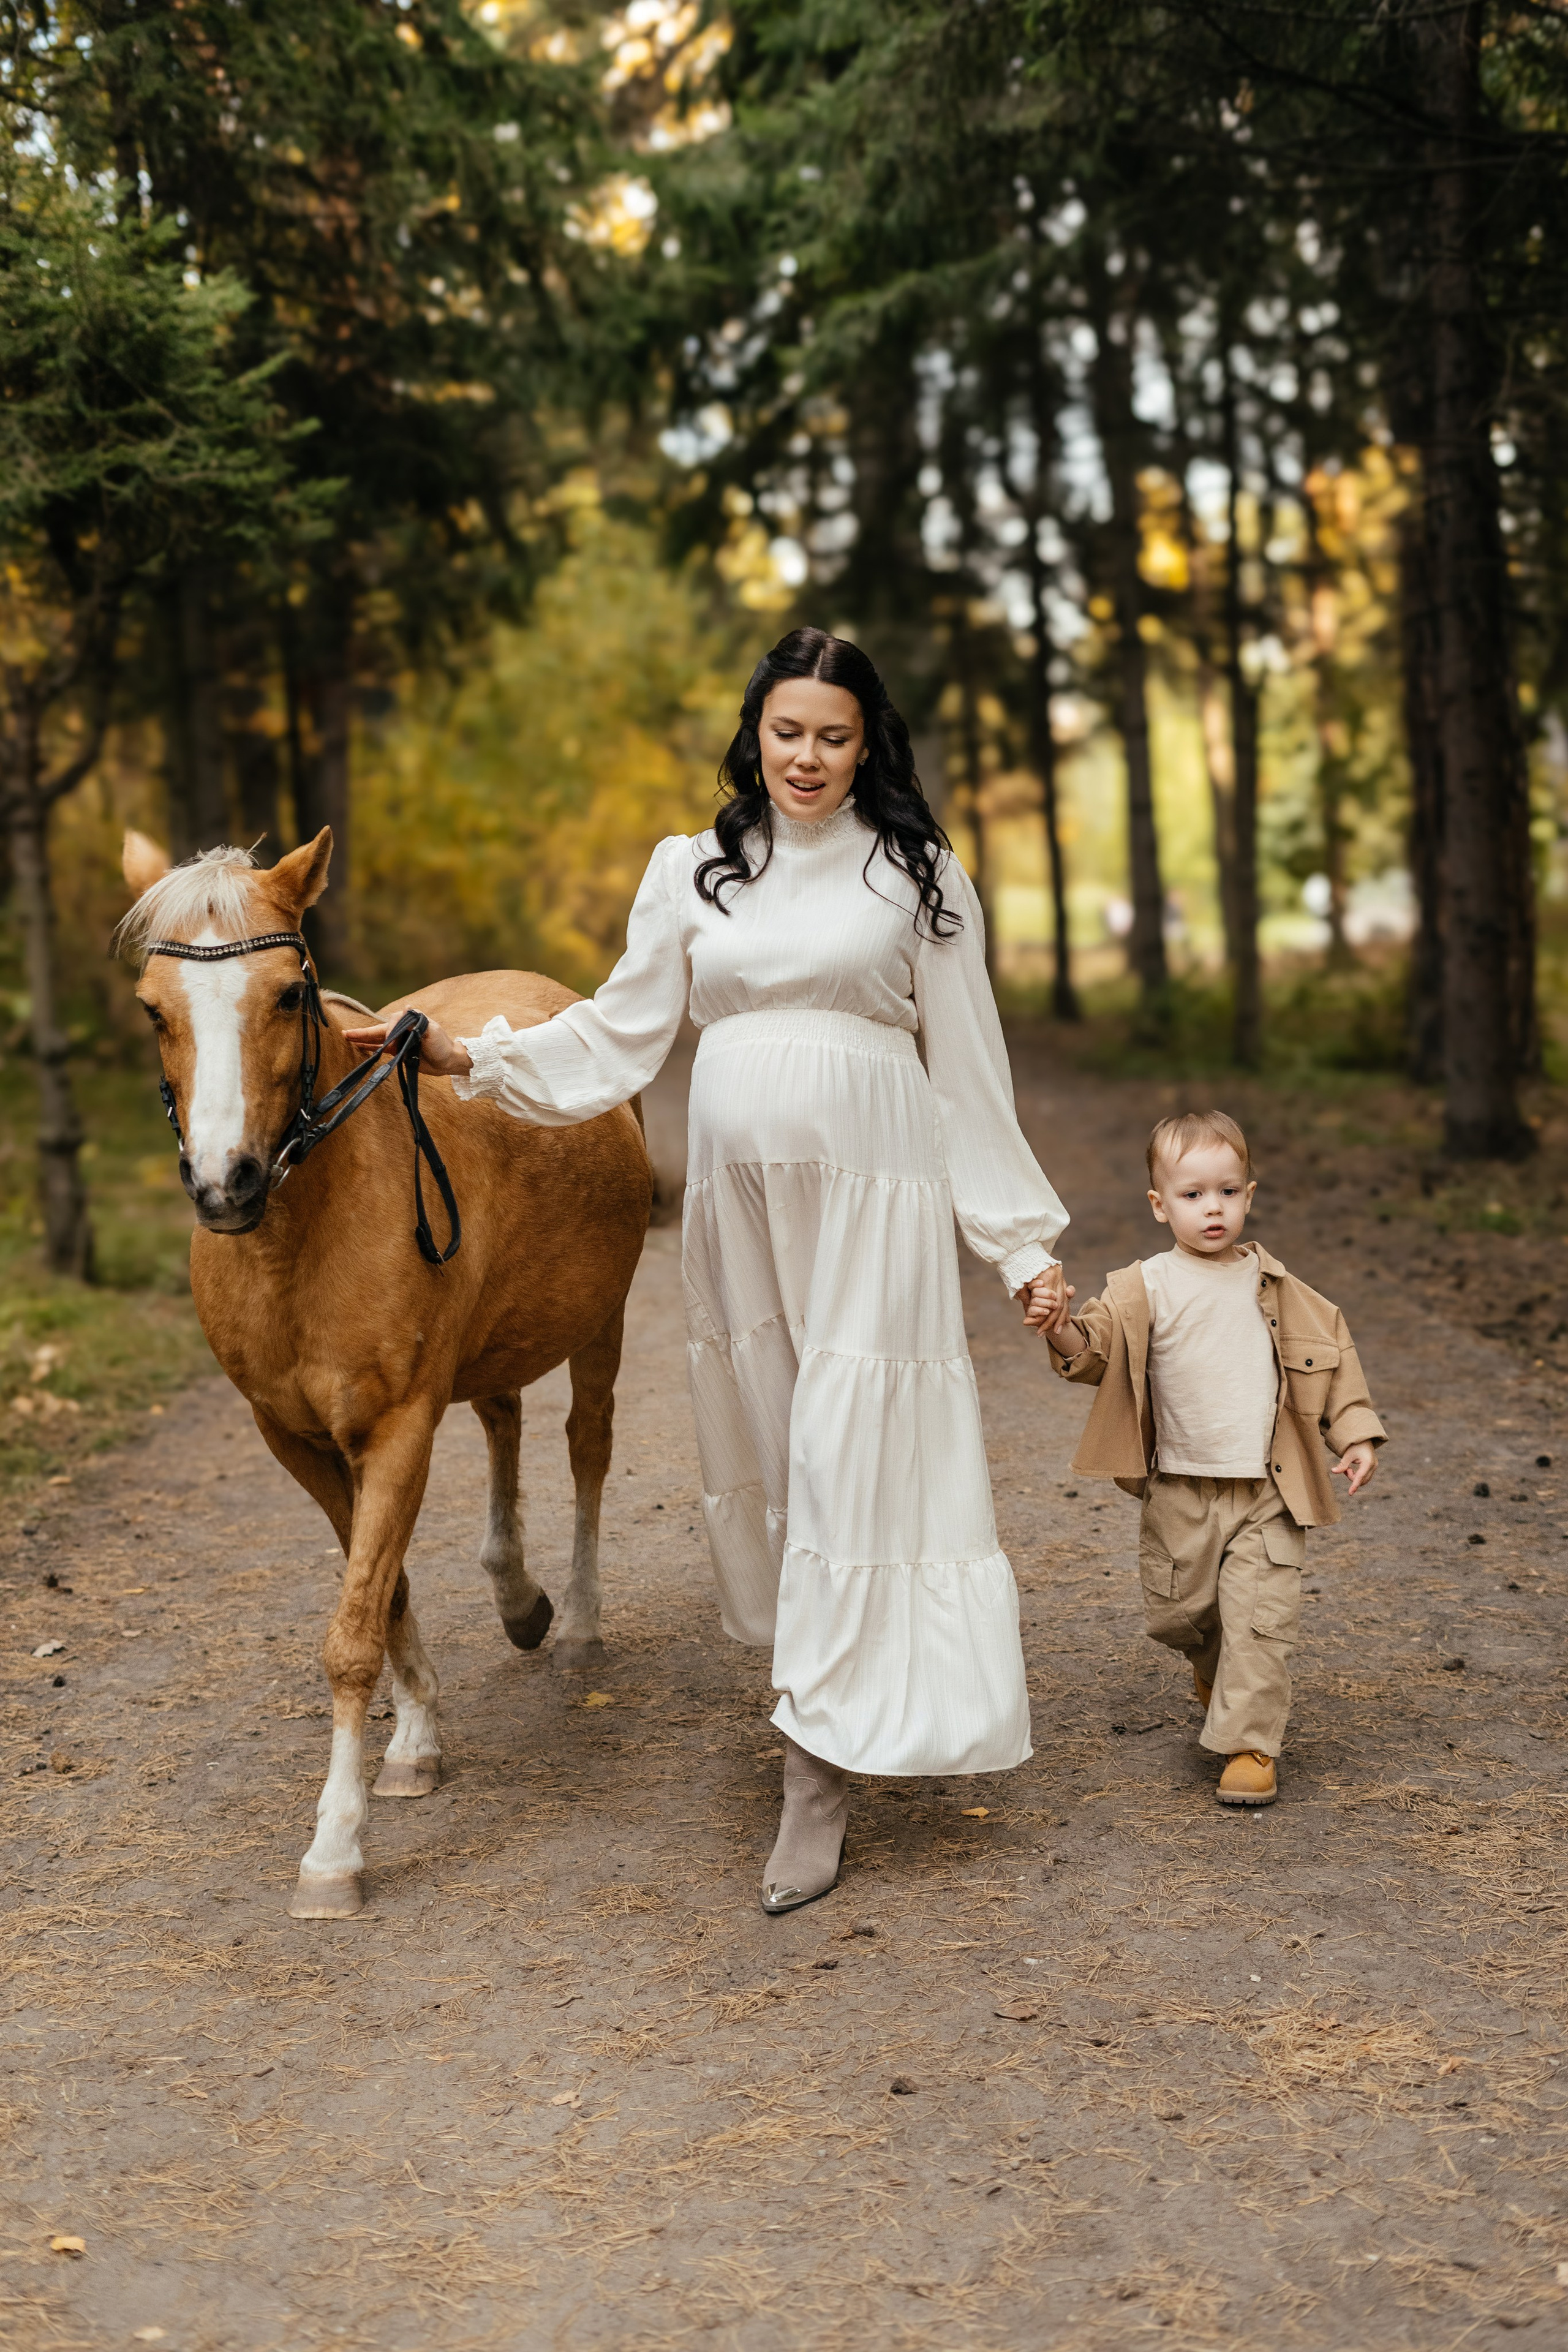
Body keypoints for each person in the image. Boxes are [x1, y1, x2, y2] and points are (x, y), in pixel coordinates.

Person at [346, 628, 1069, 1910]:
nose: (807, 757)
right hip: (739, 1209)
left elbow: (967, 1074)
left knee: (856, 1445)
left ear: (866, 745)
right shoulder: (696, 872)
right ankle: (821, 1699)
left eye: (833, 736)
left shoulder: (915, 873)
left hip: (874, 1194)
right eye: (787, 732)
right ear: (756, 734)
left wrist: (1018, 1250)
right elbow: (616, 1035)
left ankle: (814, 1771)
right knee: (784, 1450)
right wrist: (465, 1054)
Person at [1029, 1110, 1384, 1807]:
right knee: (1180, 1613)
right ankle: (1215, 1673)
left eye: (1226, 1191)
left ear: (1248, 1197)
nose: (1211, 1207)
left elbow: (1333, 1364)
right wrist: (1062, 1325)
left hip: (1267, 1489)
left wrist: (1355, 1435)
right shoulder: (1145, 1287)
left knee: (1259, 1617)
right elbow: (1092, 1353)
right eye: (1192, 1195)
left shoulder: (1284, 1292)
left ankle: (1250, 1745)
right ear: (1161, 1206)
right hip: (1179, 1489)